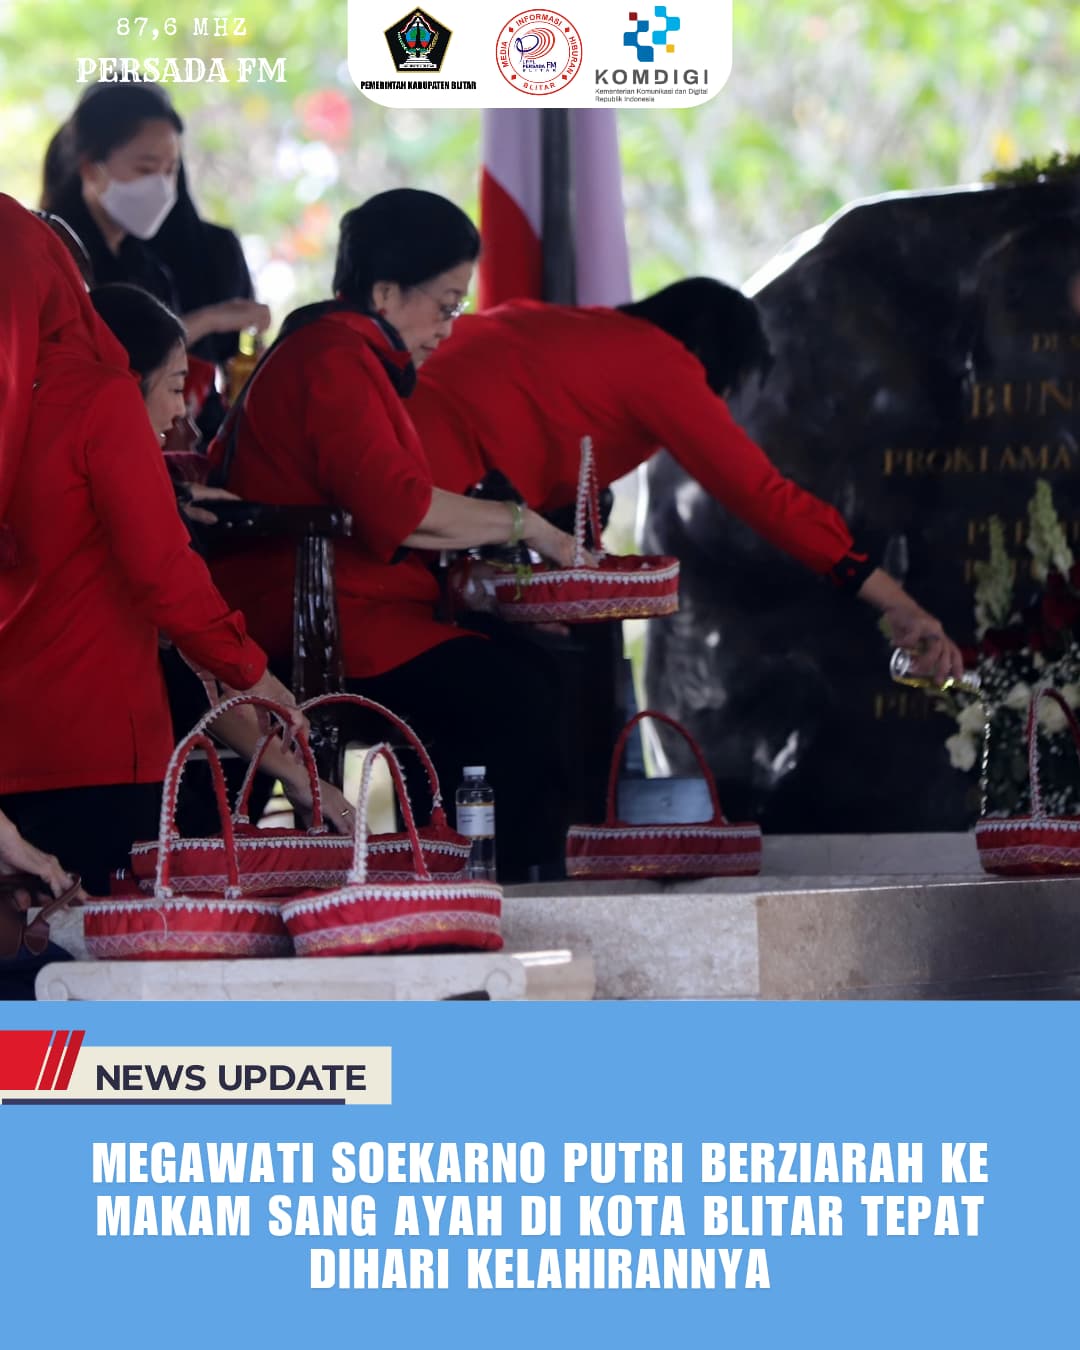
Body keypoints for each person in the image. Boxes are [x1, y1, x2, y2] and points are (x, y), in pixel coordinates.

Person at [208, 190, 588, 882]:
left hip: (362, 602)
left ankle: (455, 865)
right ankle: (492, 881)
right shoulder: (332, 356)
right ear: (385, 293)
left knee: (530, 670)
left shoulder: (347, 353)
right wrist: (529, 525)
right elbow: (402, 510)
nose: (448, 327)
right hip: (316, 615)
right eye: (445, 304)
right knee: (516, 691)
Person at [408, 278, 965, 684]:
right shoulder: (660, 362)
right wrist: (898, 604)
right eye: (726, 386)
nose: (718, 401)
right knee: (546, 681)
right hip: (422, 507)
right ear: (709, 355)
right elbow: (764, 498)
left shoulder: (570, 328)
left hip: (397, 468)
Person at [0, 196, 299, 897]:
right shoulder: (95, 395)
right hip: (96, 735)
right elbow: (162, 570)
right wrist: (249, 669)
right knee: (105, 941)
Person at [89, 280, 355, 833]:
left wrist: (299, 776)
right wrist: (258, 678)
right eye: (174, 387)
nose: (180, 412)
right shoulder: (120, 492)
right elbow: (183, 624)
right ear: (123, 385)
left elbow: (194, 666)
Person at [41, 81, 269, 432]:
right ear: (90, 168)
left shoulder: (147, 266)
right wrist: (209, 319)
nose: (162, 186)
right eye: (146, 170)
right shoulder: (54, 253)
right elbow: (109, 355)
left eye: (170, 170)